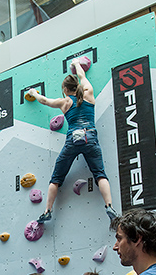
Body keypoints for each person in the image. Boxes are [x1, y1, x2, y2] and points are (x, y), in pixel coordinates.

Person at [26, 59, 117, 224]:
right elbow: (82, 75)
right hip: (90, 137)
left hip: (72, 140)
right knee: (100, 174)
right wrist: (76, 64)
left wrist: (34, 93)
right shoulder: (88, 93)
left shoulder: (65, 102)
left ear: (66, 89)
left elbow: (45, 101)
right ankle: (109, 206)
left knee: (56, 178)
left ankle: (47, 211)